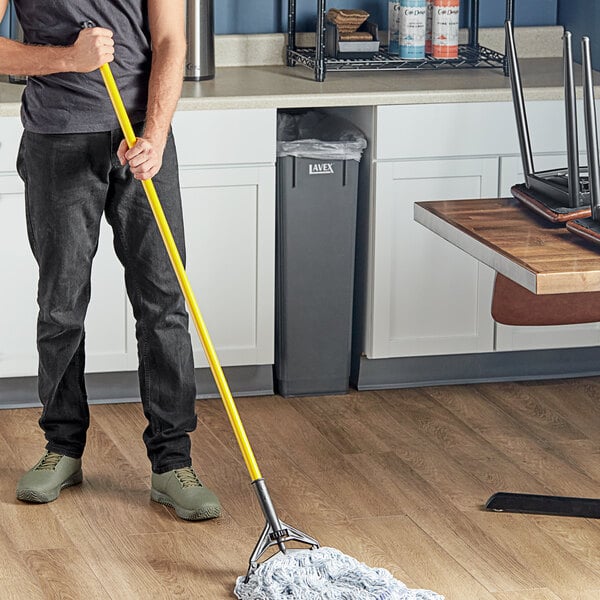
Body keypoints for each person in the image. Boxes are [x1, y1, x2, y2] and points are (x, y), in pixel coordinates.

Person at [0, 0, 221, 521]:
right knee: (61, 304)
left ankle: (173, 464)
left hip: (141, 140)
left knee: (164, 303)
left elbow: (170, 41)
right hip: (56, 139)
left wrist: (157, 136)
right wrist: (66, 59)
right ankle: (63, 448)